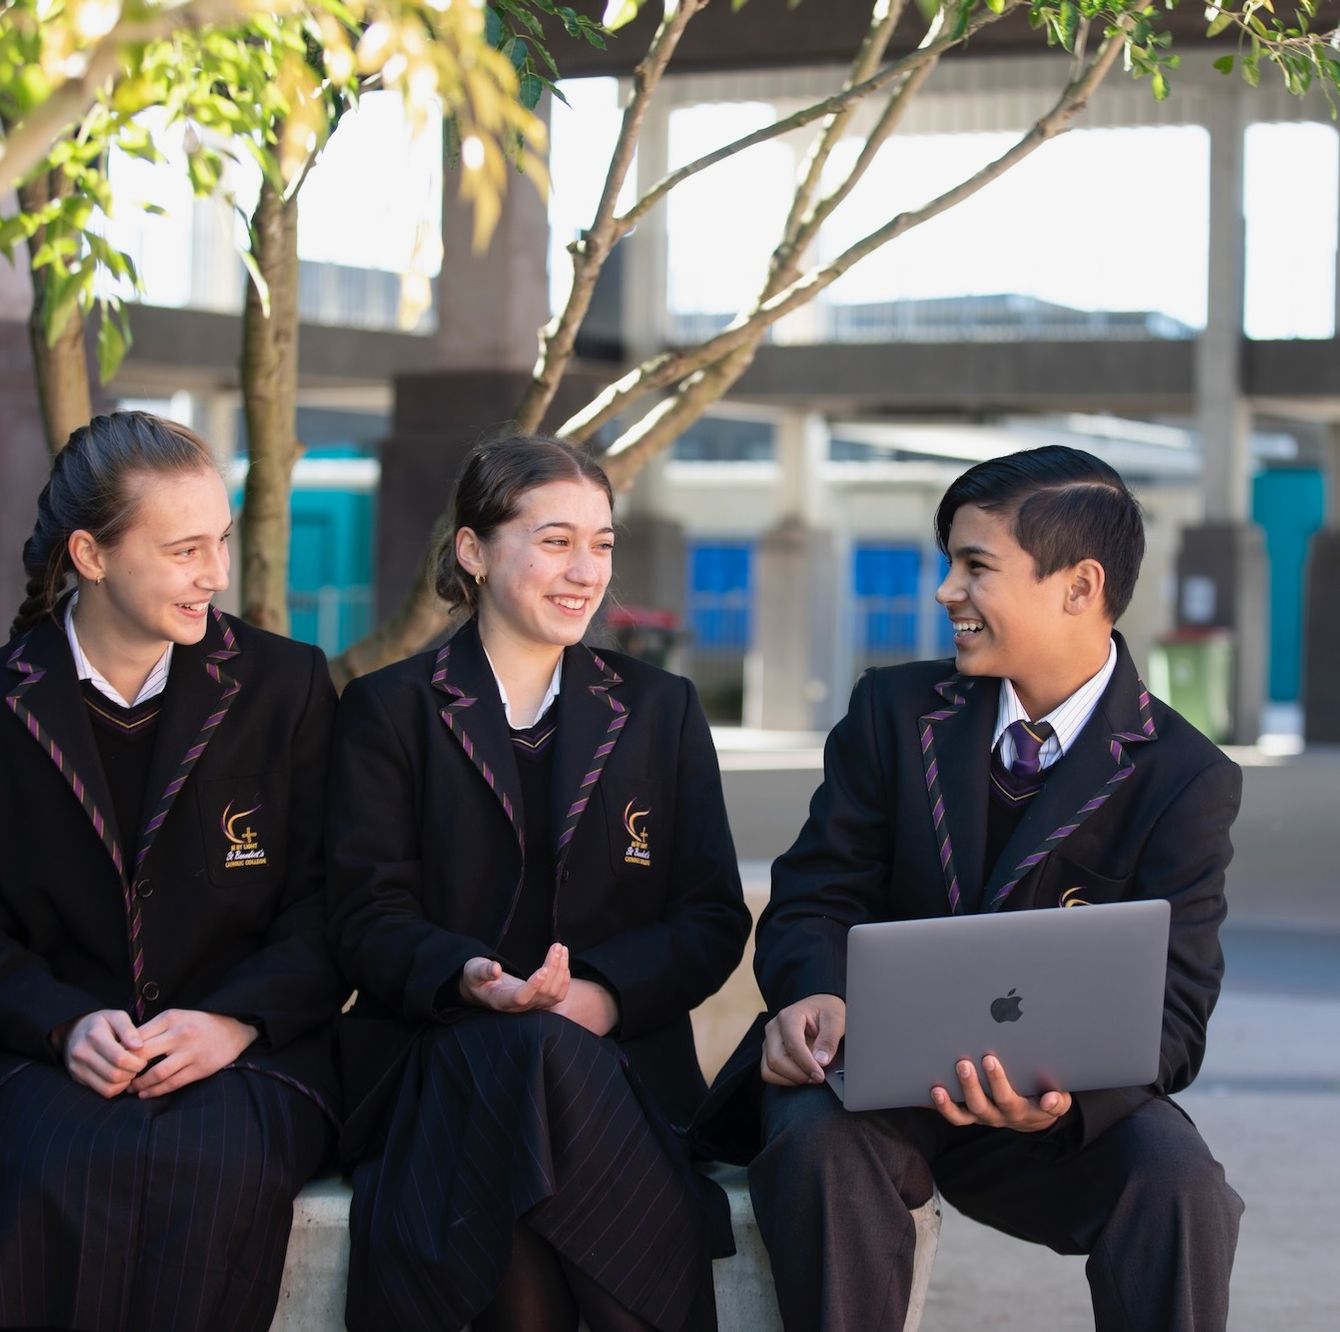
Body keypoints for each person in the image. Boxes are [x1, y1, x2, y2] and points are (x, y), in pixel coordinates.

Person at [697, 445, 1245, 1332]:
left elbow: (1174, 1018)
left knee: (1179, 1183)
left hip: (1048, 1118)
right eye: (948, 561)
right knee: (818, 1148)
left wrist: (1058, 1102)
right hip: (862, 1085)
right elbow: (815, 894)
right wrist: (812, 990)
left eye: (975, 566)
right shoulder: (892, 711)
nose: (946, 590)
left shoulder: (1184, 776)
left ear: (1079, 586)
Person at [327, 434, 750, 1332]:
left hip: (617, 1064)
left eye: (601, 543)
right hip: (436, 1057)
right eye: (555, 540)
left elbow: (712, 916)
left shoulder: (658, 710)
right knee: (516, 1076)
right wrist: (470, 978)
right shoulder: (388, 709)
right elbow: (365, 914)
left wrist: (597, 997)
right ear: (474, 551)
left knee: (536, 1085)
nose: (585, 569)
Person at [0, 411, 343, 1331]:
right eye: (186, 548)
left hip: (252, 1057)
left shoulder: (287, 684)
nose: (217, 577)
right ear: (91, 553)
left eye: (222, 542)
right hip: (48, 1057)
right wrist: (62, 1026)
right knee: (55, 1171)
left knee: (214, 1167)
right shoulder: (9, 698)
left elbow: (333, 902)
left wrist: (233, 1020)